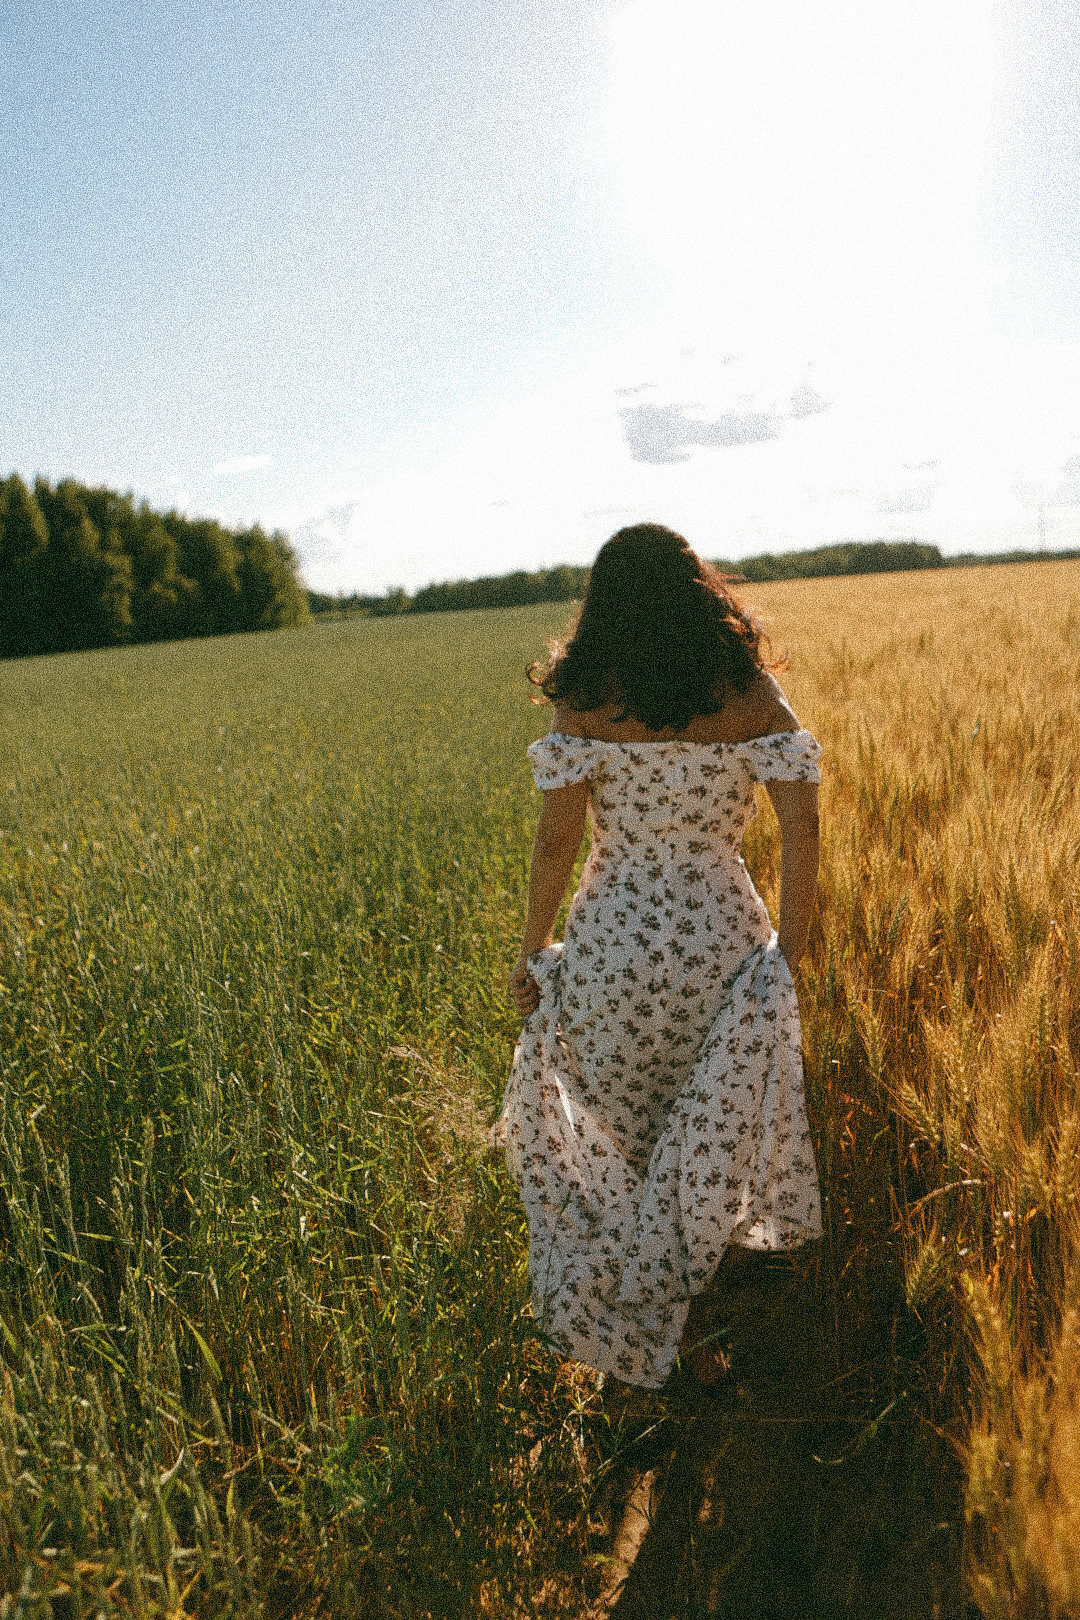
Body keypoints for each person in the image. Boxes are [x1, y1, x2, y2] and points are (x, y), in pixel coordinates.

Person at [495, 522, 822, 1390]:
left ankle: (644, 1334)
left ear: (605, 608)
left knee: (632, 1135)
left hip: (615, 949)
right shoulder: (750, 696)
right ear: (697, 593)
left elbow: (555, 847)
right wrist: (795, 949)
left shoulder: (587, 704)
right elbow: (800, 825)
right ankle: (706, 1308)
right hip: (720, 940)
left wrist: (532, 954)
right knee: (712, 1126)